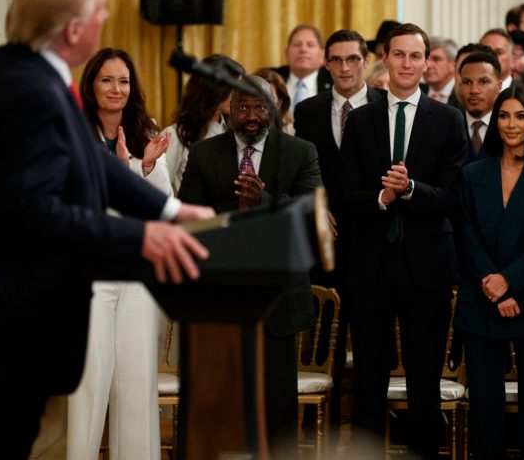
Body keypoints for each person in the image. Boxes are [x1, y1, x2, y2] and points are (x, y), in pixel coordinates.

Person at [0, 0, 214, 459]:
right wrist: (143, 238)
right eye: (100, 10)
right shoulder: (26, 90)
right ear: (73, 24)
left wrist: (167, 212)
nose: (106, 19)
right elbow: (34, 213)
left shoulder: (25, 73)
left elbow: (94, 166)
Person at [340, 23, 467, 458]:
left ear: (428, 63)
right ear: (385, 59)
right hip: (370, 266)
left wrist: (411, 190)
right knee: (369, 381)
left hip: (426, 267)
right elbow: (345, 194)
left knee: (424, 382)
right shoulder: (360, 120)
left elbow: (453, 197)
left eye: (416, 56)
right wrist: (382, 196)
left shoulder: (449, 119)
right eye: (399, 55)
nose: (407, 63)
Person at [178, 76, 321, 457]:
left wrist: (265, 198)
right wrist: (241, 208)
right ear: (229, 110)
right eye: (243, 107)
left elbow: (309, 216)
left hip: (279, 300)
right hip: (220, 300)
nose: (252, 116)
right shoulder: (205, 154)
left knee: (277, 407)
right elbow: (188, 220)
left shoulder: (300, 152)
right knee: (221, 405)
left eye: (261, 107)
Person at [67, 47, 171, 460]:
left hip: (136, 268)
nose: (116, 88)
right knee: (92, 378)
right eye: (107, 80)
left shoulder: (148, 131)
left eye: (124, 81)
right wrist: (125, 171)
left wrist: (143, 169)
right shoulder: (72, 133)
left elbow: (163, 203)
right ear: (91, 86)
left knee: (135, 377)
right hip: (90, 270)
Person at [454, 86, 524, 459]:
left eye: (520, 116)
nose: (511, 124)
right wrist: (496, 288)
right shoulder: (472, 174)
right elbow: (466, 235)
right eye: (504, 115)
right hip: (482, 299)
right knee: (485, 414)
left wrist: (511, 282)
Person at [294, 29, 385, 434]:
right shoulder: (309, 111)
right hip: (324, 245)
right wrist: (319, 208)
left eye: (353, 59)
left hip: (372, 242)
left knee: (370, 350)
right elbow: (302, 172)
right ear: (326, 64)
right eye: (337, 60)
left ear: (365, 61)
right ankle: (320, 435)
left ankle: (367, 437)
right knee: (321, 347)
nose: (345, 67)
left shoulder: (386, 106)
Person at [163, 54, 244, 195]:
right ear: (215, 88)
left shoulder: (234, 132)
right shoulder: (176, 135)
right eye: (234, 88)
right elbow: (161, 188)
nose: (239, 95)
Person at [456, 51, 503, 165]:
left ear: (498, 87)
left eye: (483, 82)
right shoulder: (448, 124)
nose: (474, 90)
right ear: (460, 86)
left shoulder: (509, 126)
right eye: (467, 82)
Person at [273, 25, 333, 112]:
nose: (303, 49)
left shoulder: (334, 82)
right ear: (287, 53)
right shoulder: (270, 80)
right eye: (297, 44)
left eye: (310, 45)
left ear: (322, 55)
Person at [254, 67, 295, 134]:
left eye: (269, 97)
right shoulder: (237, 128)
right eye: (257, 96)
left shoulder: (292, 131)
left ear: (280, 103)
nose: (262, 103)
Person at [425, 36, 458, 103]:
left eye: (436, 59)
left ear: (453, 65)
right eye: (425, 59)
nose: (428, 65)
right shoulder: (414, 92)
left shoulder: (463, 95)